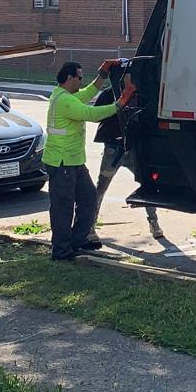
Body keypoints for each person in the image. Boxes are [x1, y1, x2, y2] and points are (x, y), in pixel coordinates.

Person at [45, 59, 130, 261]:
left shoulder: (68, 95)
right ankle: (61, 250)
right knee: (63, 207)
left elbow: (87, 94)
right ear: (69, 78)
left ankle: (79, 240)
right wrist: (120, 103)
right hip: (61, 162)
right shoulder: (65, 100)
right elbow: (91, 114)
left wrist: (102, 76)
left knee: (88, 198)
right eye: (80, 77)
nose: (82, 81)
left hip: (73, 161)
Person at [86, 72, 162, 241]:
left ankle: (154, 223)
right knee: (102, 186)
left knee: (147, 184)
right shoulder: (109, 94)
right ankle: (90, 227)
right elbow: (96, 114)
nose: (130, 80)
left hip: (134, 150)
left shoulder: (141, 95)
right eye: (127, 76)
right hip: (114, 148)